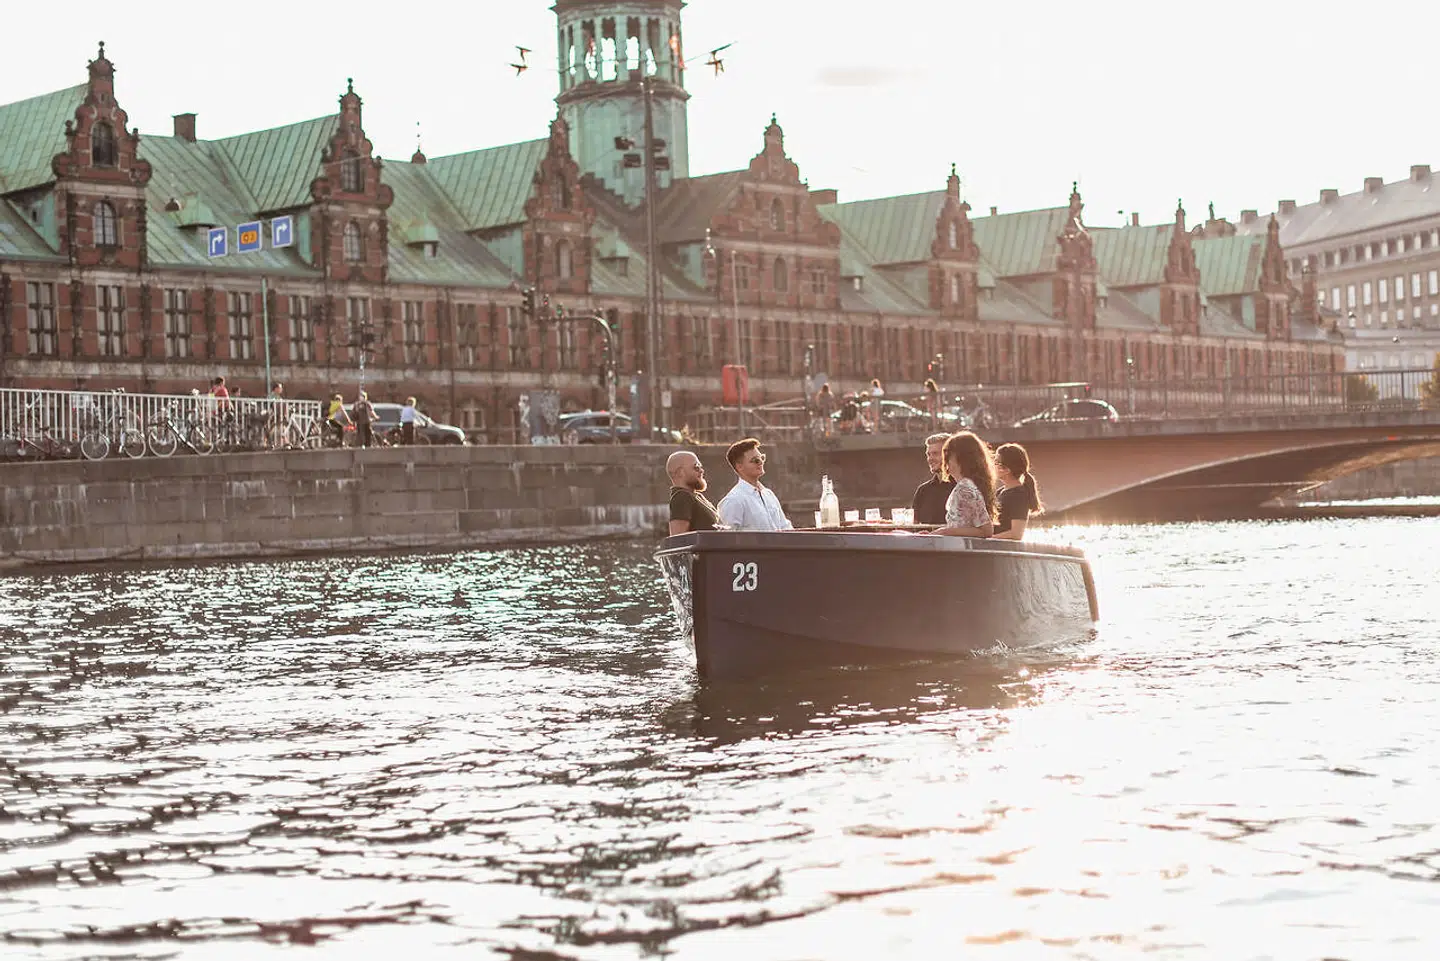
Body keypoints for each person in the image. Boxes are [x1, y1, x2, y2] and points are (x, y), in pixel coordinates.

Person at [716, 437, 794, 532]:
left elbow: (785, 527)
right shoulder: (734, 500)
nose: (761, 462)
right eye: (755, 460)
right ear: (739, 466)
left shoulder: (768, 494)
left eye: (762, 458)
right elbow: (726, 540)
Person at [931, 430, 996, 538]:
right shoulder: (966, 485)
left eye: (948, 456)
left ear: (961, 458)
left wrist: (945, 532)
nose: (945, 462)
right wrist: (936, 533)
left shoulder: (965, 488)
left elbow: (986, 531)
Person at [992, 443, 1043, 540]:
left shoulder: (1019, 495)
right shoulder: (1000, 492)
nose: (993, 466)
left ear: (1007, 470)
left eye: (996, 462)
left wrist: (989, 538)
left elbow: (1016, 534)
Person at [666, 450, 721, 535]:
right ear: (680, 472)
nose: (701, 470)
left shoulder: (697, 496)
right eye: (696, 467)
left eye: (700, 466)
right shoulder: (682, 497)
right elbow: (678, 539)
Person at [911, 432, 956, 526]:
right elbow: (913, 525)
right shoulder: (923, 490)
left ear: (950, 455)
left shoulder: (964, 487)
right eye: (928, 454)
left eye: (935, 454)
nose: (930, 459)